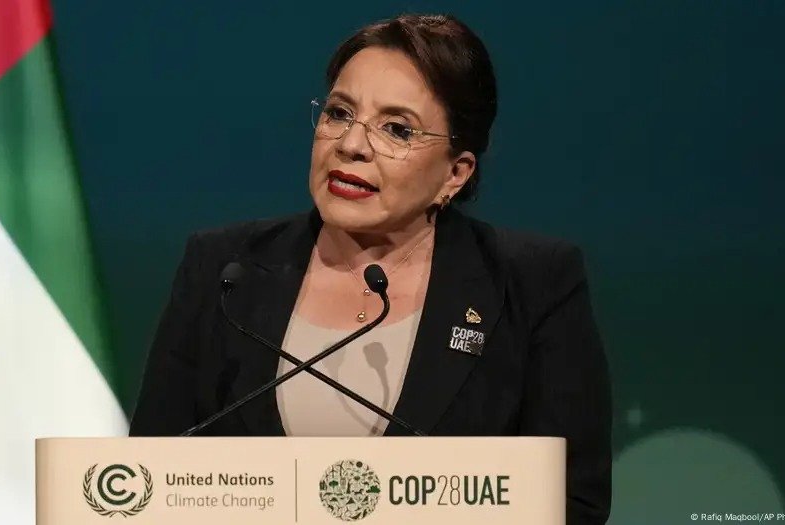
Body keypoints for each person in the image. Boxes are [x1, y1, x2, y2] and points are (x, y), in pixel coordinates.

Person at [129, 13, 611, 524]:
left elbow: (571, 501)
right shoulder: (223, 270)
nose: (351, 145)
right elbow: (149, 476)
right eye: (339, 113)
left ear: (455, 173)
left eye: (397, 129)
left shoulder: (532, 283)